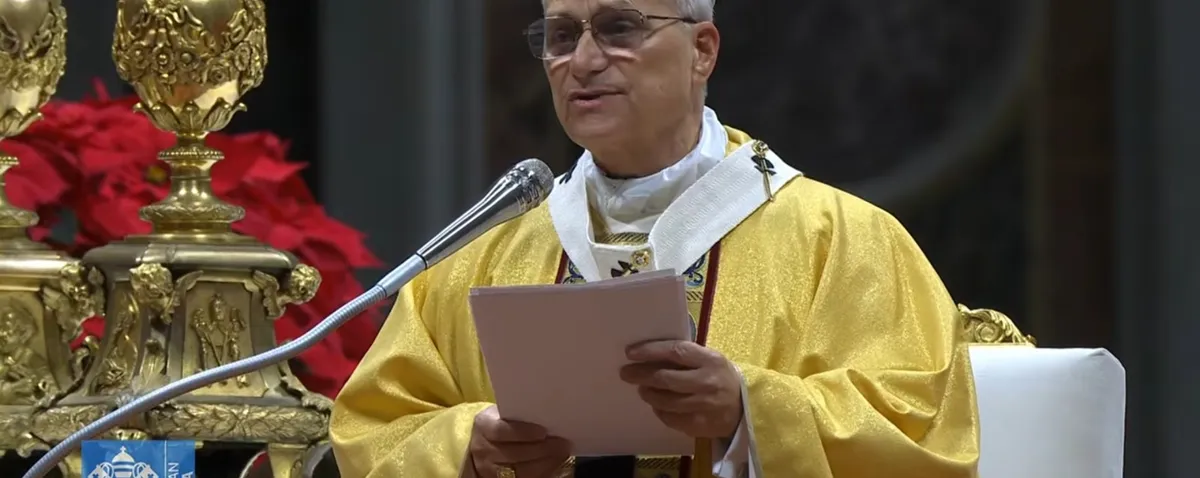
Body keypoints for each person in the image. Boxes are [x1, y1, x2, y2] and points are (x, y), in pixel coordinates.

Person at [329, 0, 981, 476]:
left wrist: (749, 413)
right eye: (560, 36)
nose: (582, 62)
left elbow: (924, 434)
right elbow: (372, 432)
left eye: (619, 29)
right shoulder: (483, 251)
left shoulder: (844, 242)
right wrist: (468, 444)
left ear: (703, 50)